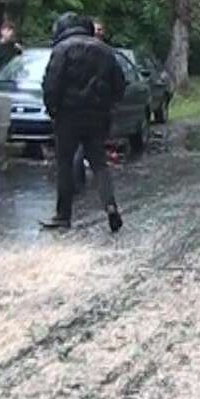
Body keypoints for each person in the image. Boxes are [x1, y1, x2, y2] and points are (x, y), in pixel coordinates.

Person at [41, 12, 125, 233]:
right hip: (98, 116)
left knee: (65, 164)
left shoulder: (61, 50)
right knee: (99, 163)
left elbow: (51, 83)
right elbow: (120, 83)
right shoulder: (105, 51)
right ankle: (110, 206)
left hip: (68, 116)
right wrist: (109, 105)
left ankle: (63, 215)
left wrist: (53, 109)